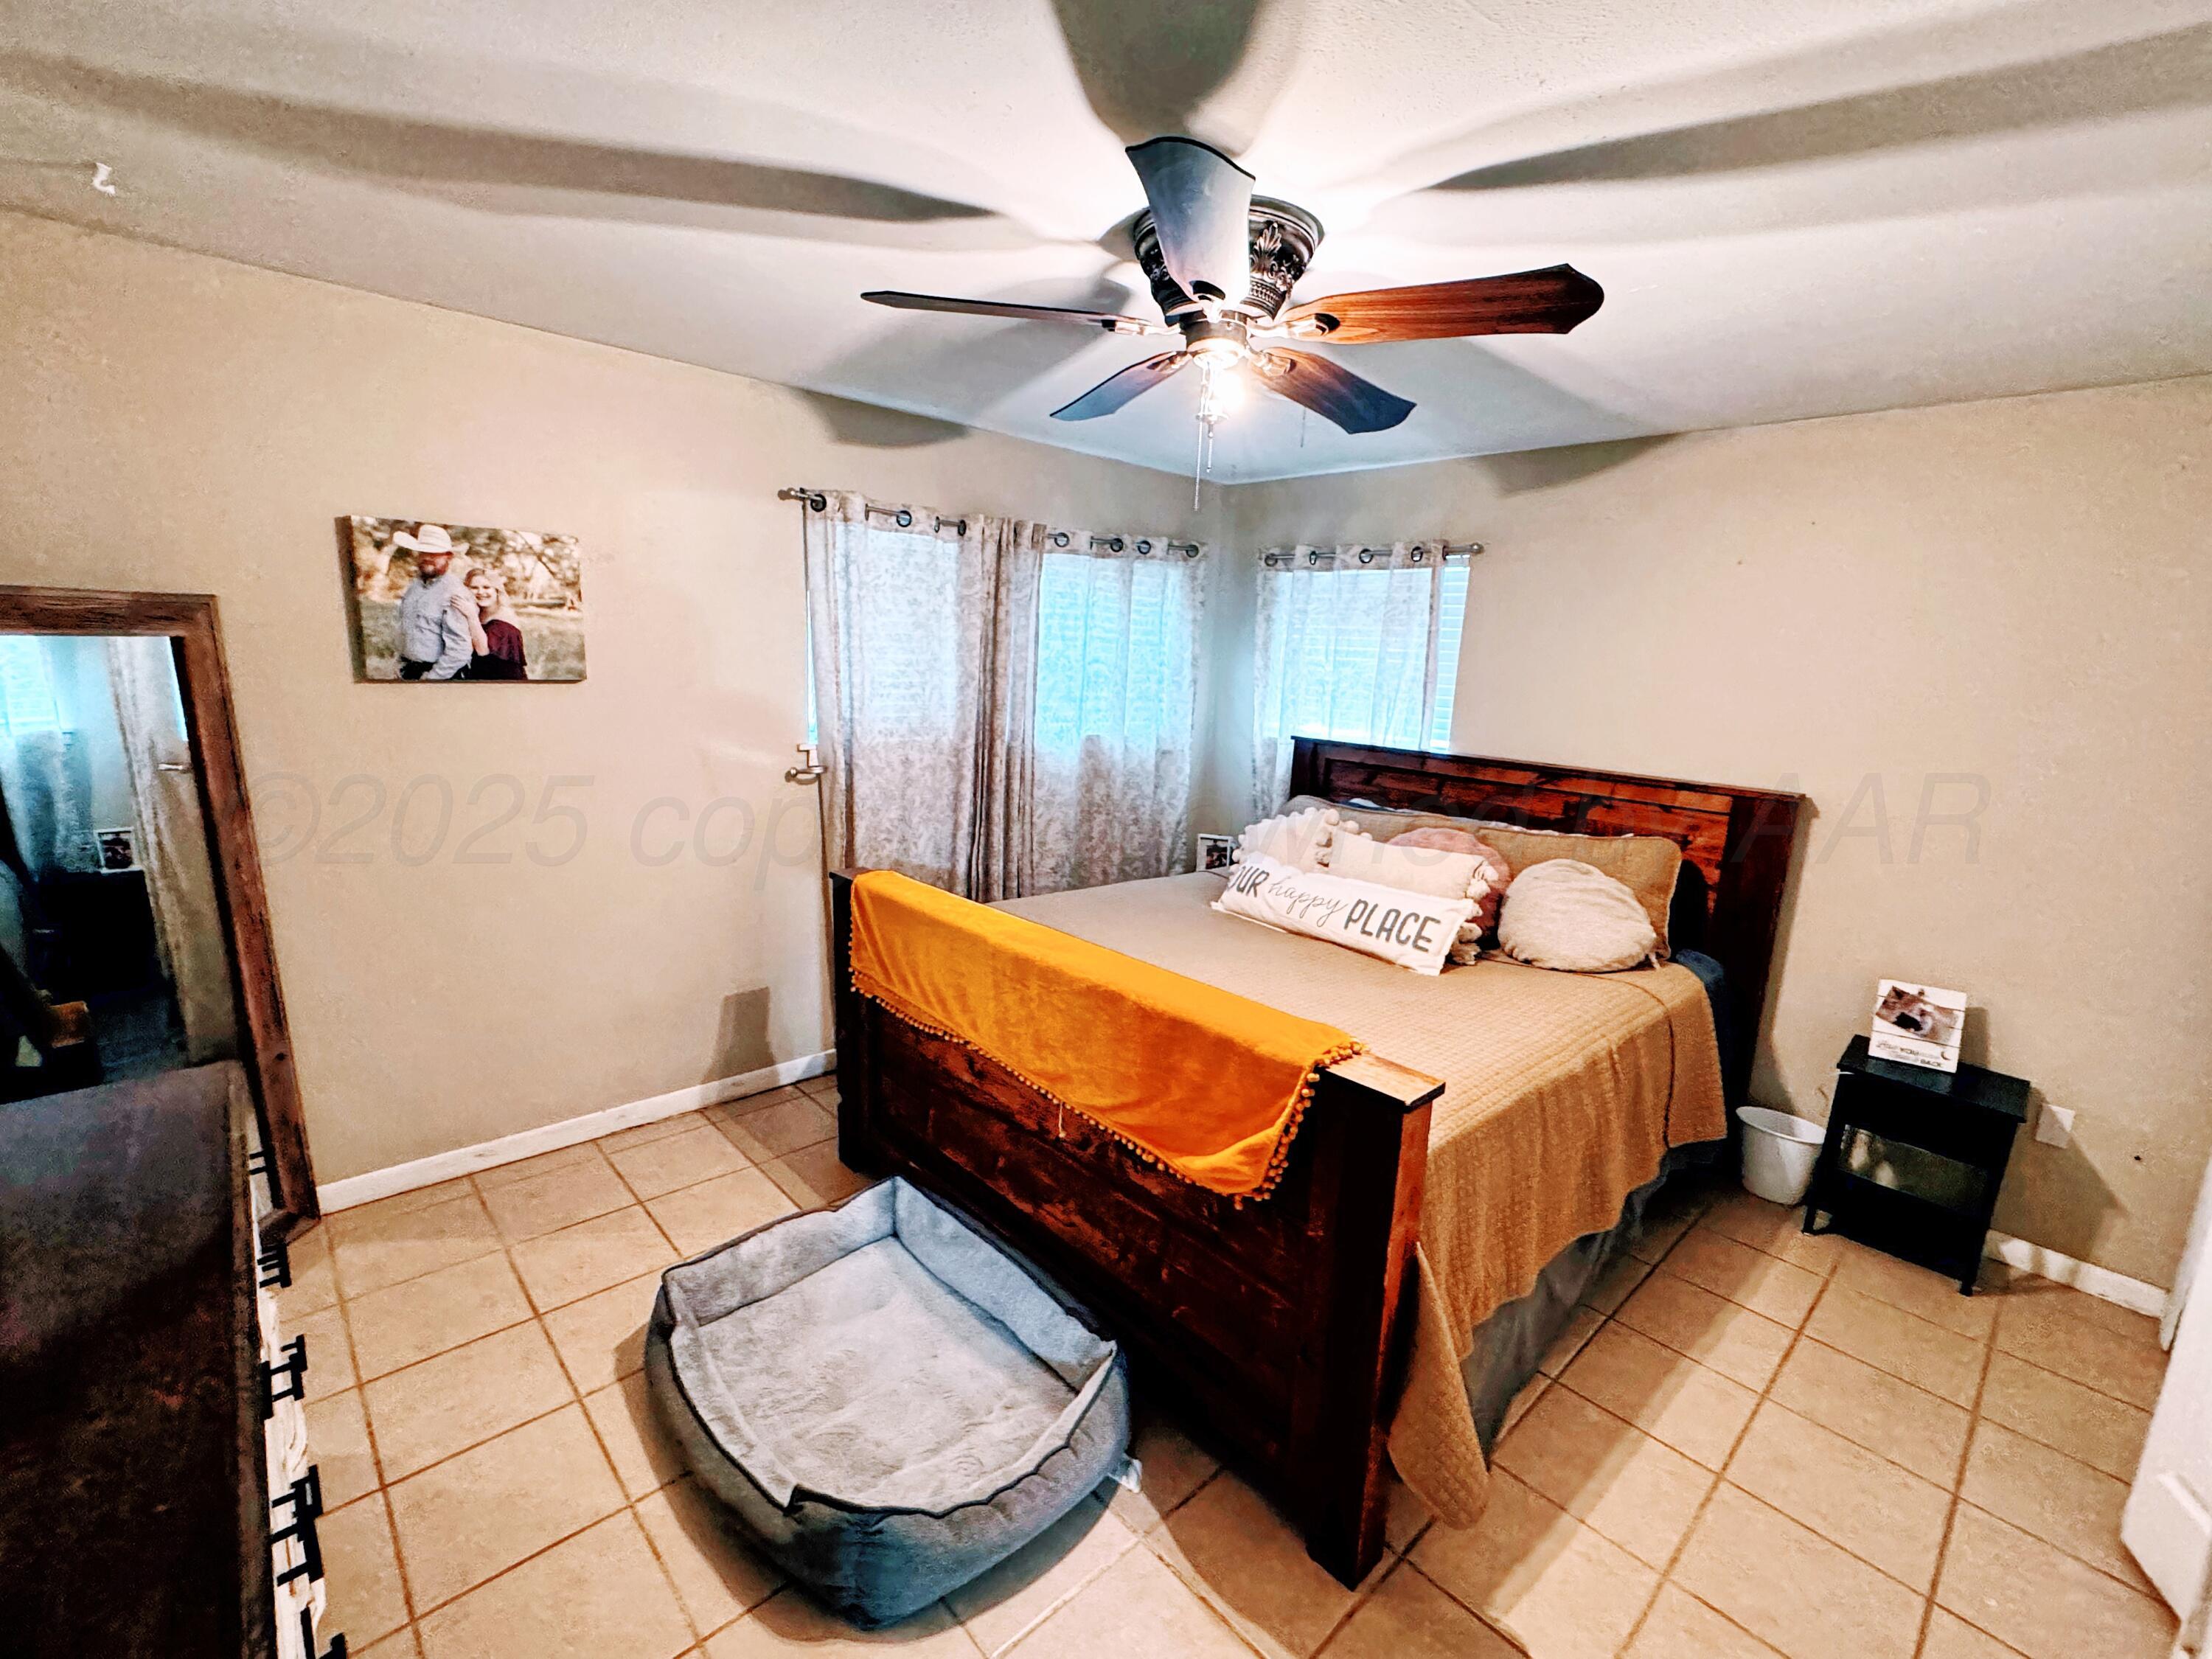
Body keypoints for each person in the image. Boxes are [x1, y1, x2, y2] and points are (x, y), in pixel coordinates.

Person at [391, 524, 473, 680]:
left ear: (448, 556)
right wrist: (400, 662)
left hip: (441, 675)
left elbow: (460, 649)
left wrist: (432, 679)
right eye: (423, 552)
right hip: (409, 670)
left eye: (435, 554)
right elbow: (407, 628)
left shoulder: (455, 592)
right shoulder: (414, 587)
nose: (427, 557)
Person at [459, 566, 528, 680]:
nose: (481, 592)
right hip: (480, 676)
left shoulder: (504, 617)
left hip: (504, 680)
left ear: (497, 590)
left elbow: (483, 651)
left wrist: (471, 616)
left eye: (487, 587)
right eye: (474, 588)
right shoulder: (478, 612)